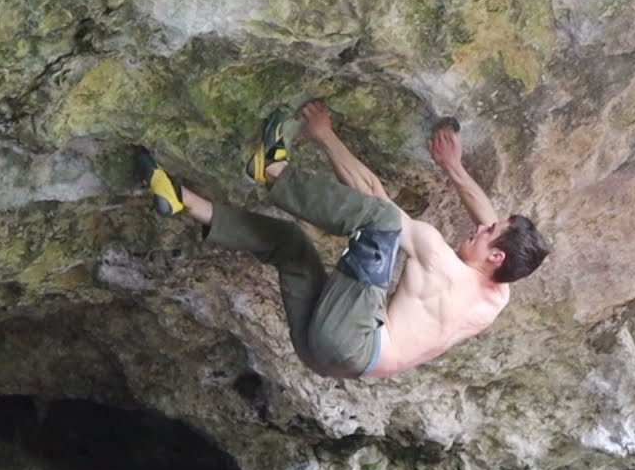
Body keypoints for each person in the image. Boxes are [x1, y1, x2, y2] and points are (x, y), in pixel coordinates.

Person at [135, 99, 549, 378]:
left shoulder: (439, 260)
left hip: (353, 338)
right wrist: (453, 167)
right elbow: (492, 224)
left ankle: (272, 170)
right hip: (329, 360)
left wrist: (325, 135)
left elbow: (375, 199)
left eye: (489, 233)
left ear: (495, 255)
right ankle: (183, 200)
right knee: (290, 246)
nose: (481, 224)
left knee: (383, 218)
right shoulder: (497, 296)